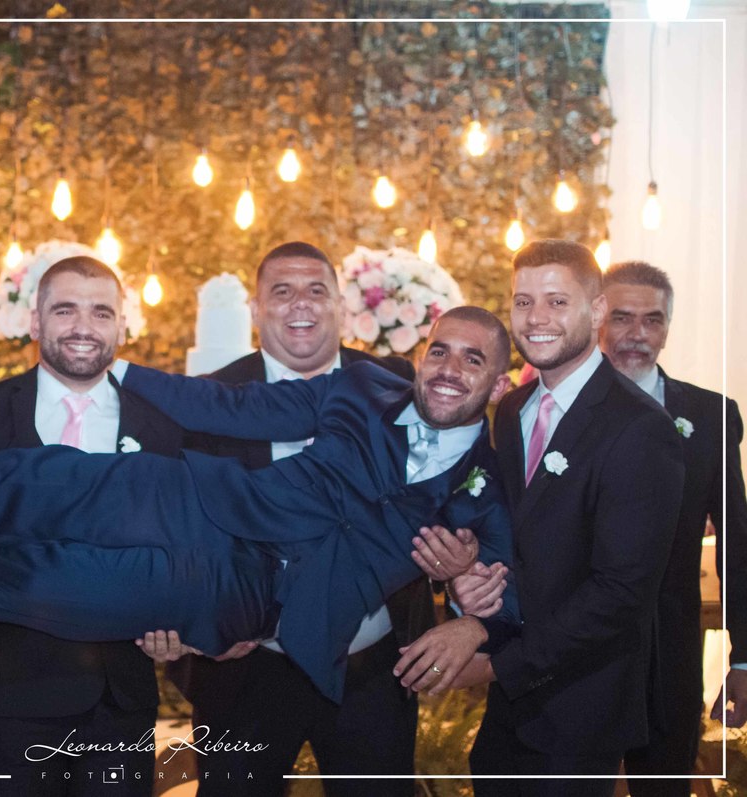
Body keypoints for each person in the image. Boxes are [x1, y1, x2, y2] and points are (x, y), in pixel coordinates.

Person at [0, 305, 520, 709]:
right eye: (440, 349)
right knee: (19, 479)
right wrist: (127, 372)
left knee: (32, 578)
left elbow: (514, 597)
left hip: (241, 595)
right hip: (194, 499)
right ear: (420, 353)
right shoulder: (365, 384)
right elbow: (237, 409)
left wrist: (475, 614)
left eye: (473, 359)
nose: (450, 368)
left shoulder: (485, 486)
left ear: (498, 381)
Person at [396, 240, 684, 793]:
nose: (536, 319)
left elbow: (621, 594)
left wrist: (494, 662)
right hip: (510, 714)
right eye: (523, 302)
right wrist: (465, 575)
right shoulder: (511, 409)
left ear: (596, 311)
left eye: (556, 301)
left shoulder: (641, 429)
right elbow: (511, 539)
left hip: (581, 711)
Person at [163, 241, 433, 795]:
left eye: (316, 290)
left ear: (340, 305)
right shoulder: (208, 398)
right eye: (281, 292)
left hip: (373, 664)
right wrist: (201, 622)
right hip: (245, 666)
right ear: (257, 310)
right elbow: (180, 527)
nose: (300, 304)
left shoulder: (396, 387)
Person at [0, 256, 185, 795]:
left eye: (101, 312)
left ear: (122, 327)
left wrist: (181, 625)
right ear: (35, 321)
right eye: (65, 310)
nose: (83, 326)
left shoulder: (163, 427)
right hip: (5, 699)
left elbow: (183, 549)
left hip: (119, 704)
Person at [597, 260, 747, 795]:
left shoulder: (710, 416)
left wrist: (743, 659)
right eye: (622, 317)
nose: (637, 333)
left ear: (667, 328)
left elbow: (736, 544)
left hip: (670, 659)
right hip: (572, 662)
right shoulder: (550, 409)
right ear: (596, 320)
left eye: (652, 320)